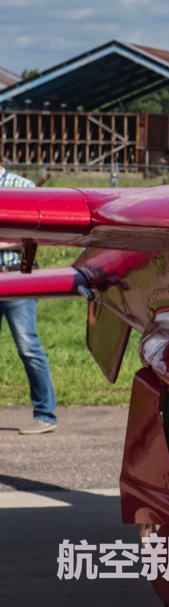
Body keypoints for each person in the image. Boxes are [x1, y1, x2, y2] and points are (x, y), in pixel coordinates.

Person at [0, 164, 58, 435]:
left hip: (17, 277)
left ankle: (45, 414)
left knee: (27, 347)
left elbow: (38, 232)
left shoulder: (22, 187)